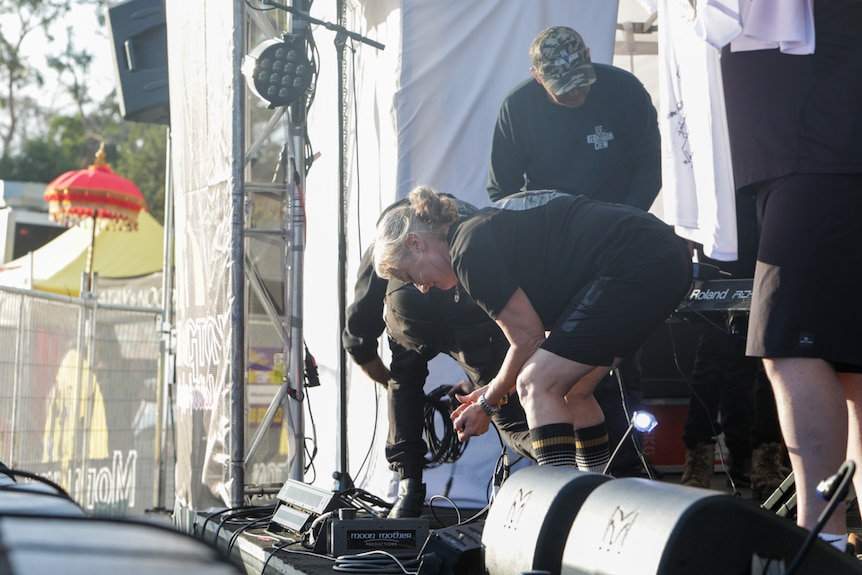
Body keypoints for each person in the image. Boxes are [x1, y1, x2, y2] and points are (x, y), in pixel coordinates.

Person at [372, 187, 692, 472]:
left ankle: (562, 511)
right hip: (662, 255)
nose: (421, 288)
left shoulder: (468, 251)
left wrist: (489, 403)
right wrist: (495, 388)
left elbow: (527, 339)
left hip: (637, 259)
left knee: (535, 384)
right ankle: (592, 496)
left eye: (409, 276)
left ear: (415, 244)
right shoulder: (476, 235)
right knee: (572, 388)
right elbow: (541, 341)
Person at [718, 0, 862, 551]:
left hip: (818, 149)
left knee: (790, 346)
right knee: (850, 368)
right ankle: (832, 542)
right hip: (815, 148)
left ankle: (821, 540)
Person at [487, 25, 663, 474]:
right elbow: (501, 191)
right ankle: (577, 479)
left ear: (589, 55)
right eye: (563, 89)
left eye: (582, 82)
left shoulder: (624, 91)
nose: (576, 94)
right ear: (536, 76)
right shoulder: (517, 108)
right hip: (556, 255)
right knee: (564, 367)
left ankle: (629, 466)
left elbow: (648, 168)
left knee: (618, 363)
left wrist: (619, 225)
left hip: (620, 243)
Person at [343, 197, 534, 518]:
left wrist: (390, 381)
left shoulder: (389, 232)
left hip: (408, 312)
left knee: (405, 377)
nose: (424, 287)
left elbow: (359, 326)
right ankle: (559, 469)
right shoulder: (461, 225)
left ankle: (408, 491)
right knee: (507, 412)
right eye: (409, 277)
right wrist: (489, 387)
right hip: (470, 309)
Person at [680, 194, 786, 501]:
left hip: (771, 216)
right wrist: (683, 230)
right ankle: (698, 456)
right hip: (720, 221)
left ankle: (763, 457)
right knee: (714, 349)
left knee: (768, 349)